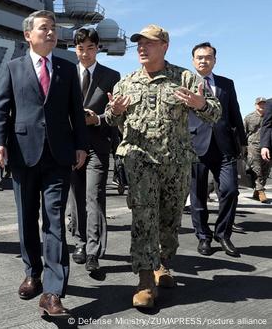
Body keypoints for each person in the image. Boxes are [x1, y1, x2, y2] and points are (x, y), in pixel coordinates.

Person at [105, 25, 220, 309]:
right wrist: (115, 112)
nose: (142, 48)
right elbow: (110, 119)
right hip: (140, 160)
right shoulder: (126, 82)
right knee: (144, 217)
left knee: (169, 220)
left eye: (149, 43)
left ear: (165, 46)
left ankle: (161, 263)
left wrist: (200, 103)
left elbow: (215, 113)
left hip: (176, 162)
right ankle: (145, 279)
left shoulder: (186, 78)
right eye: (139, 44)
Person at [0, 10, 87, 317]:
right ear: (27, 35)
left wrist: (81, 146)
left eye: (53, 28)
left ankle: (53, 291)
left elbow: (76, 111)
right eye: (44, 28)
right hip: (23, 153)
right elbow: (0, 108)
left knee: (55, 221)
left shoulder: (68, 69)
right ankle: (32, 272)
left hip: (59, 155)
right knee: (27, 218)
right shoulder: (13, 67)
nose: (51, 33)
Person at [67, 28, 120, 273]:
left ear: (97, 48)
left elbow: (117, 115)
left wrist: (97, 119)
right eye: (80, 48)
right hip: (69, 146)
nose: (85, 53)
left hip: (98, 147)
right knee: (76, 197)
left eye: (90, 48)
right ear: (75, 49)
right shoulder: (65, 74)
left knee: (94, 197)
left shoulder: (112, 76)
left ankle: (93, 250)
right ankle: (79, 242)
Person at [187, 42, 246, 258]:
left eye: (208, 57)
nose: (204, 60)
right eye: (200, 57)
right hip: (196, 147)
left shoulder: (226, 84)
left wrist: (243, 141)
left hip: (224, 147)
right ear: (193, 60)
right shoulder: (185, 83)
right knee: (199, 196)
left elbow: (235, 113)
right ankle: (203, 237)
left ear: (214, 60)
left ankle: (223, 234)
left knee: (230, 190)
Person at [243, 97, 269, 203]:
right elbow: (243, 133)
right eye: (260, 104)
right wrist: (243, 148)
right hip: (253, 146)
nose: (262, 106)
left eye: (264, 104)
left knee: (266, 170)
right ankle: (261, 191)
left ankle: (256, 192)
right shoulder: (249, 117)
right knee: (256, 169)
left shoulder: (269, 117)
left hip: (267, 147)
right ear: (256, 105)